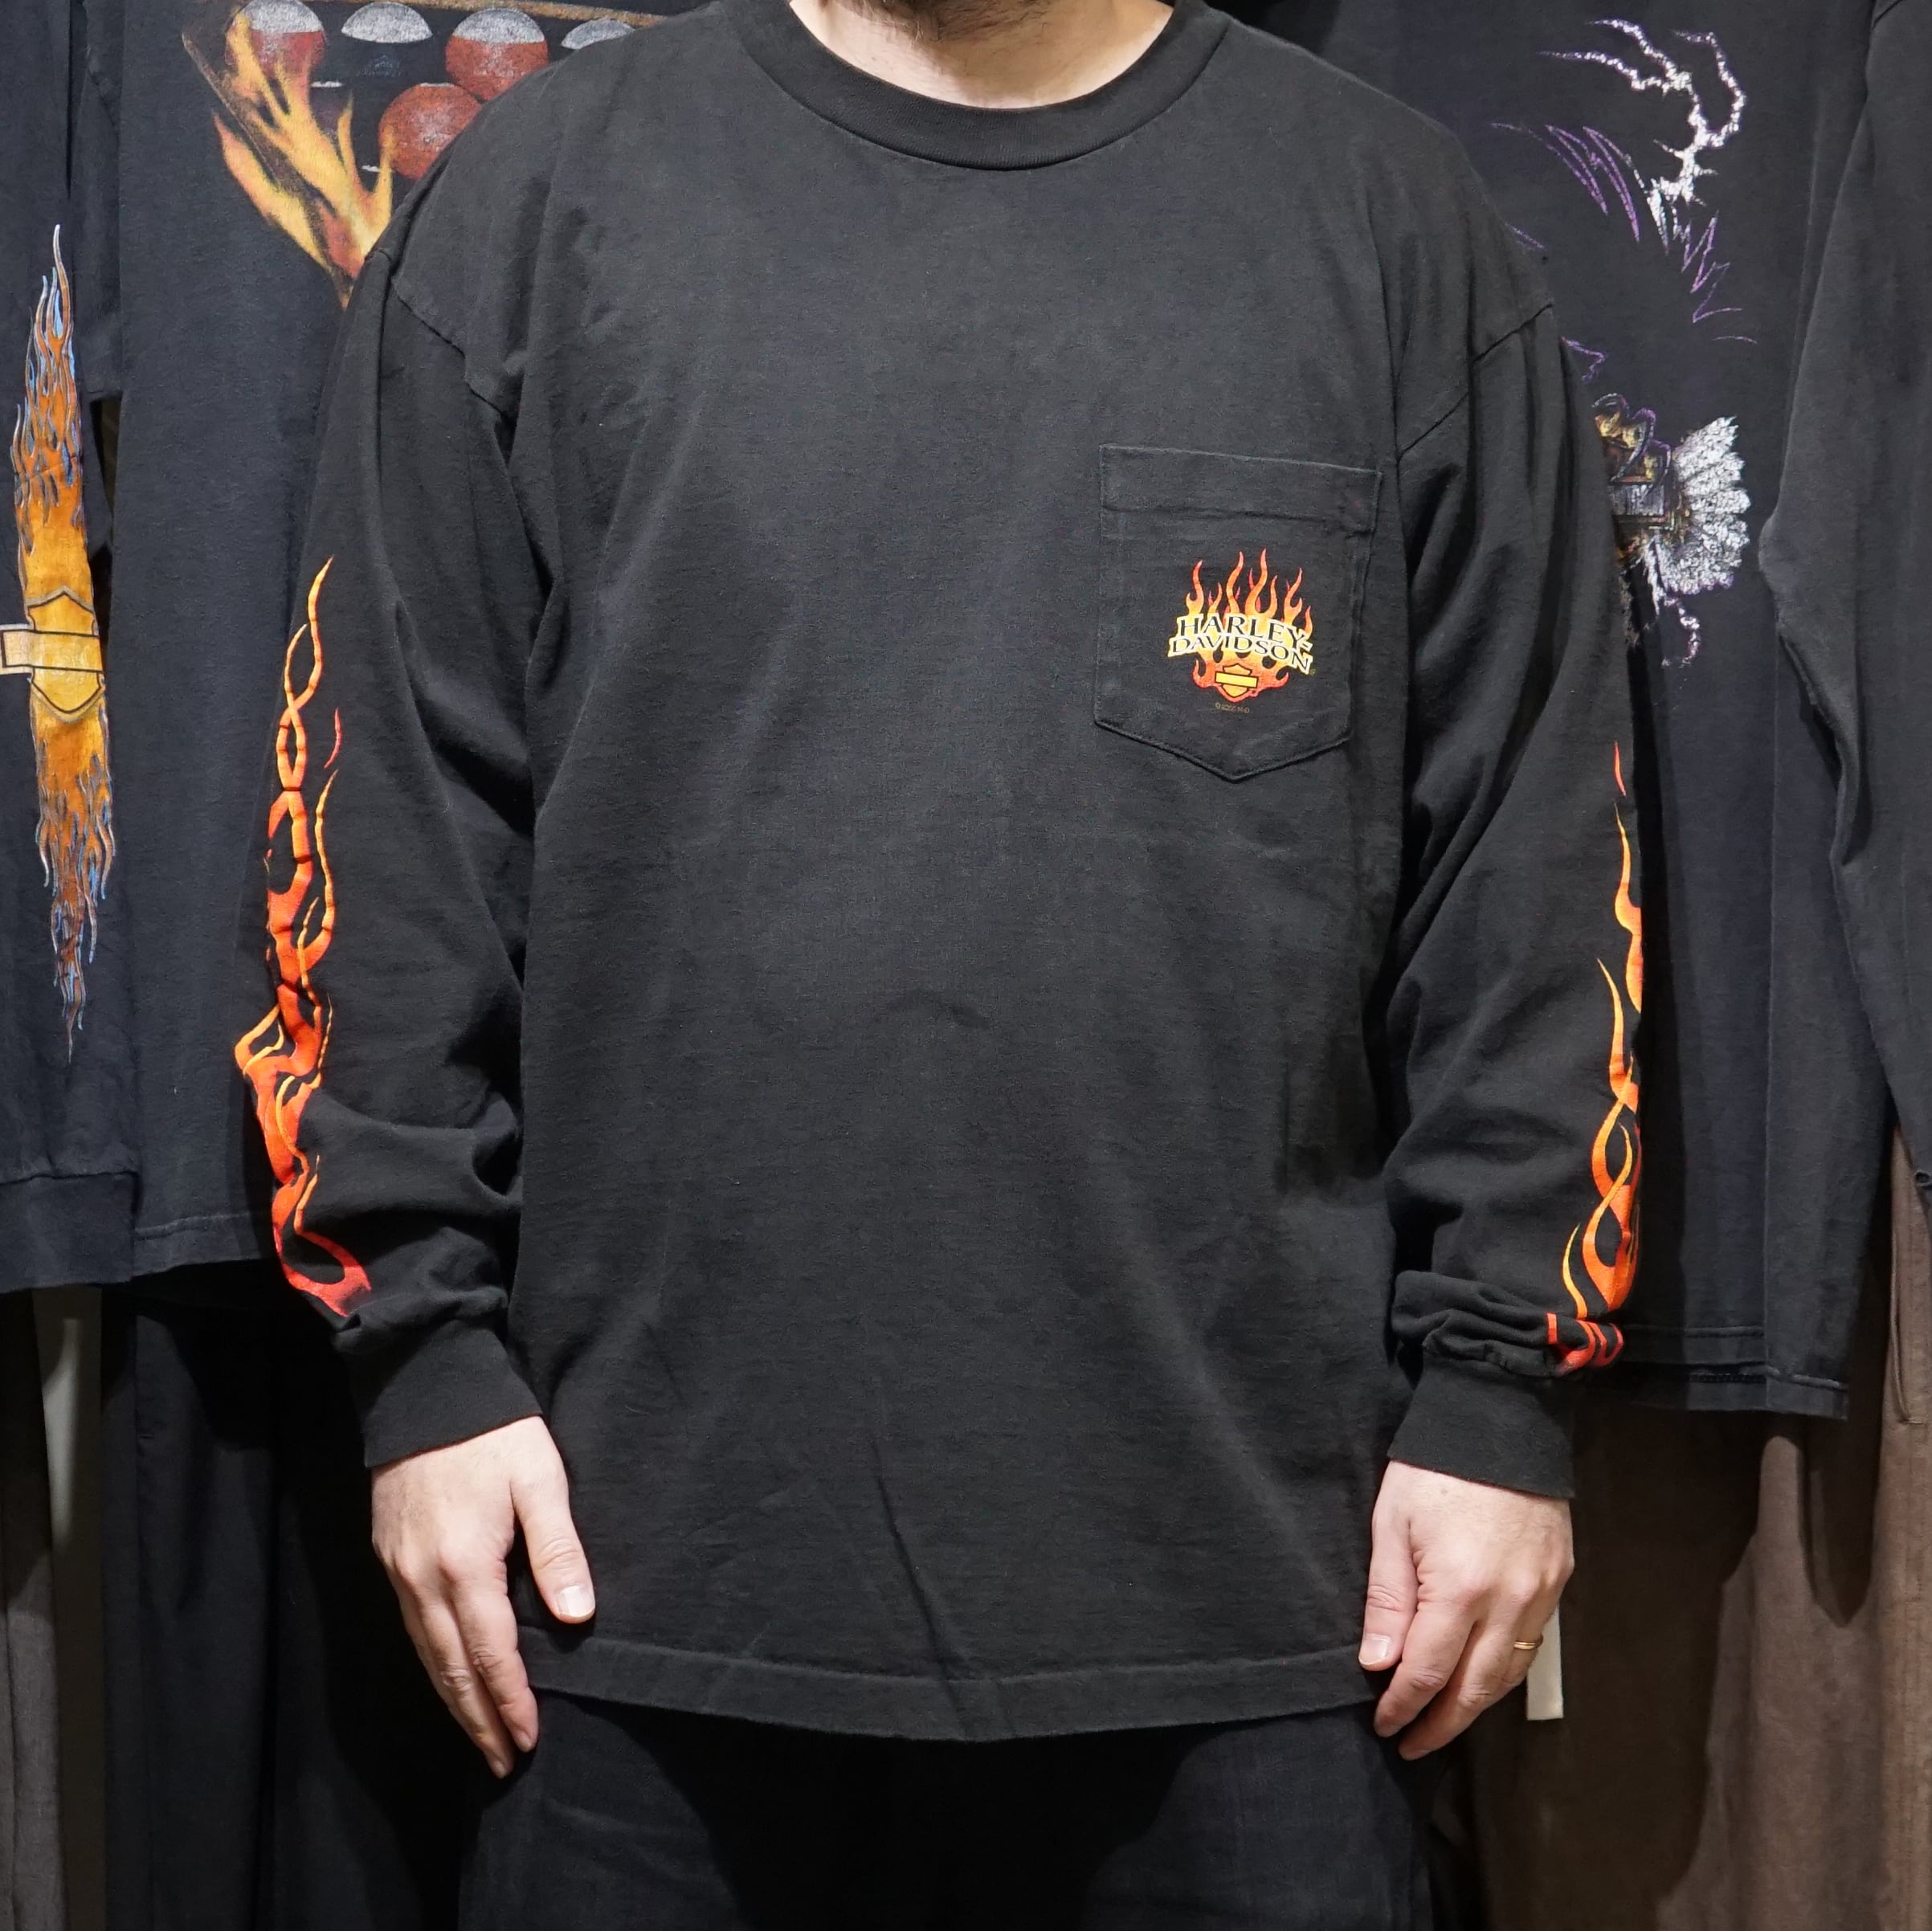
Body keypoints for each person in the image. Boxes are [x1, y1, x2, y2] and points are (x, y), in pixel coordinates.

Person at [235, 0, 1640, 1920]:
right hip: (621, 1574)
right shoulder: (540, 208)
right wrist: (420, 1356)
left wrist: (1500, 1391)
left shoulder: (1390, 226)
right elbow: (382, 818)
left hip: (1272, 1602)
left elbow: (1530, 862)